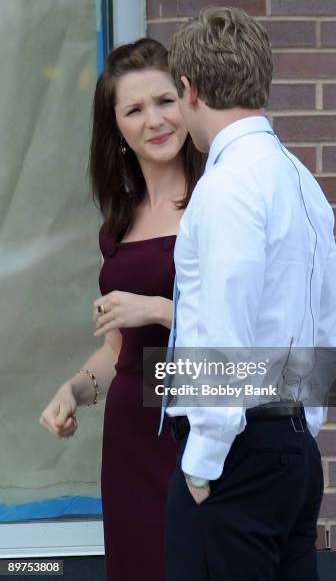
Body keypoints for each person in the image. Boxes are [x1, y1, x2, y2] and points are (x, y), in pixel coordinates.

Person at [162, 7, 336, 580]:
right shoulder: (299, 178)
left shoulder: (227, 187)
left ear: (189, 90)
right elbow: (331, 331)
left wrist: (203, 461)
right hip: (290, 449)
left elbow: (223, 331)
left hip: (235, 454)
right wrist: (302, 430)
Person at [39, 38, 204, 580]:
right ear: (116, 130)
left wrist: (158, 309)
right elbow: (119, 348)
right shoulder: (118, 224)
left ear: (188, 101)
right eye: (135, 109)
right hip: (130, 436)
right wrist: (75, 388)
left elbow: (259, 337)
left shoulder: (217, 203)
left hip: (199, 432)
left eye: (165, 100)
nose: (155, 120)